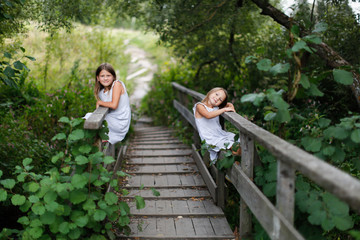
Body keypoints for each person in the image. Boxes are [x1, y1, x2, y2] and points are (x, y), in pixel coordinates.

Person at [84, 63, 131, 144]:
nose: (105, 78)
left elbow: (114, 105)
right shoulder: (101, 92)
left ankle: (94, 142)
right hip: (112, 119)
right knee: (88, 118)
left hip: (120, 121)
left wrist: (99, 102)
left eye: (108, 75)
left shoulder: (117, 84)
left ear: (113, 77)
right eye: (102, 76)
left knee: (89, 117)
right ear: (98, 78)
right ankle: (93, 143)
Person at [193, 87, 241, 164]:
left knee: (241, 140)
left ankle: (235, 164)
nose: (217, 98)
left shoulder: (216, 108)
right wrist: (224, 109)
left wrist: (230, 106)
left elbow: (229, 104)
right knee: (237, 148)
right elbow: (208, 115)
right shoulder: (199, 106)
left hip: (220, 134)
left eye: (220, 99)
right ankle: (233, 167)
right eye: (216, 94)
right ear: (211, 92)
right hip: (210, 138)